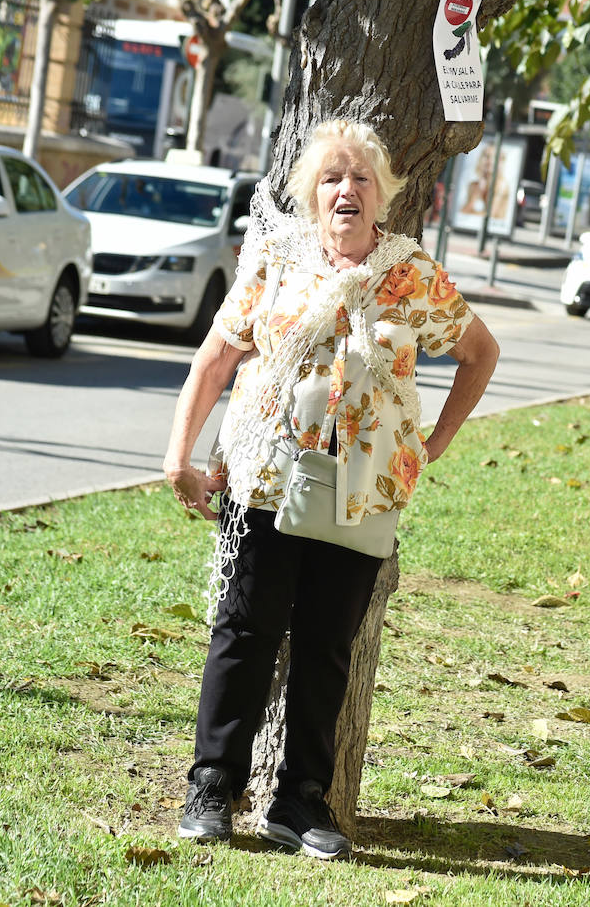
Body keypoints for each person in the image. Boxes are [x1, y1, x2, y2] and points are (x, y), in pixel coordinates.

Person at [162, 119, 499, 859]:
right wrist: (177, 451)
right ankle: (214, 785)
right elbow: (217, 356)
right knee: (244, 632)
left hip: (364, 491)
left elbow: (479, 352)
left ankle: (301, 801)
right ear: (311, 194)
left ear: (384, 197)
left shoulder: (409, 273)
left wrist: (433, 443)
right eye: (331, 178)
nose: (346, 190)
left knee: (326, 646)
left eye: (361, 179)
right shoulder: (274, 258)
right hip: (264, 476)